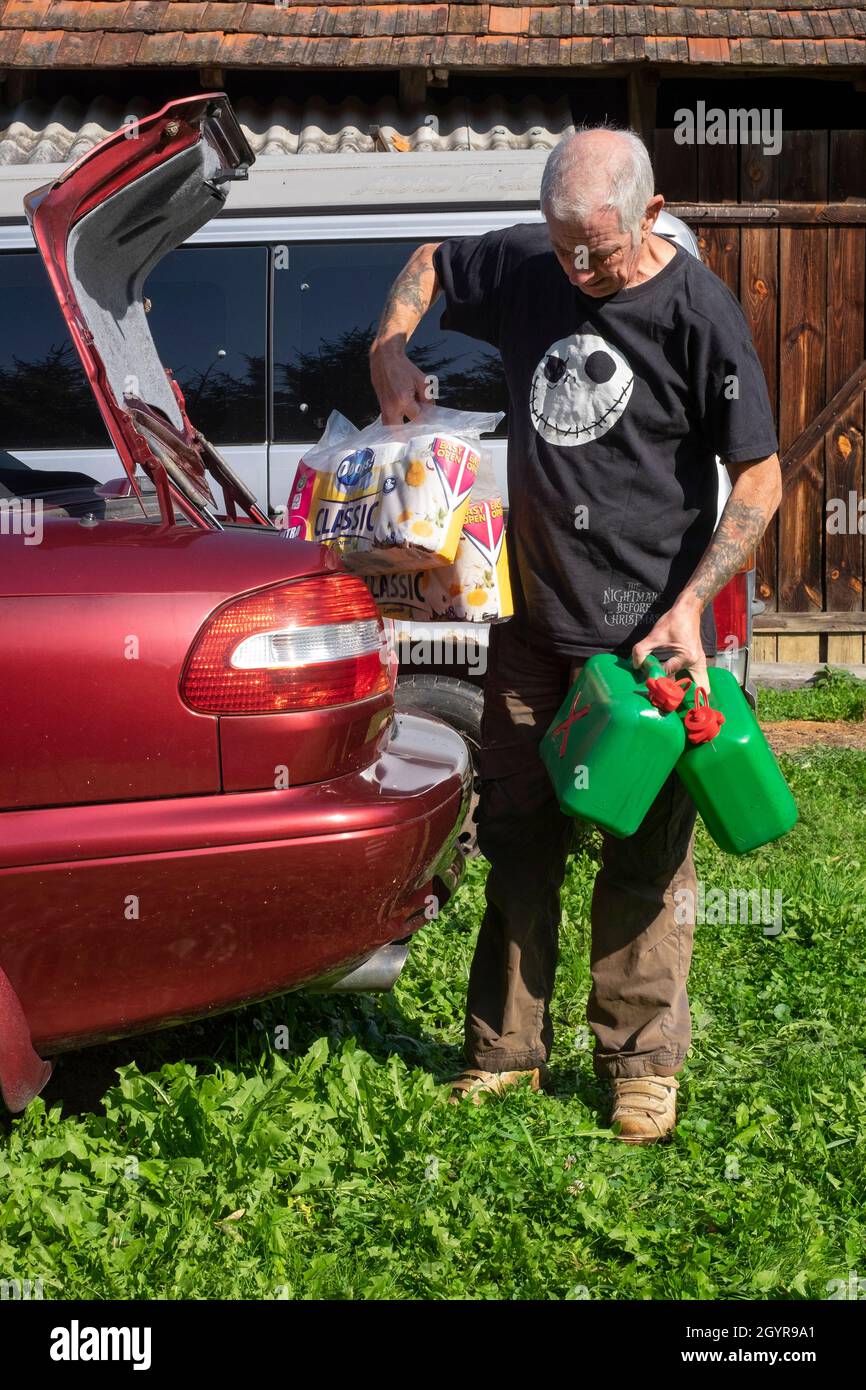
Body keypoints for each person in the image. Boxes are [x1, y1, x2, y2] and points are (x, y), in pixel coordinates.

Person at [369, 127, 782, 1143]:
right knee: (516, 839)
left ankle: (639, 1065)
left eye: (595, 247)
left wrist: (688, 606)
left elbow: (762, 479)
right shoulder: (531, 257)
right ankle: (504, 1051)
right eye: (561, 245)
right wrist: (389, 347)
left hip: (647, 648)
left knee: (642, 853)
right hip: (532, 628)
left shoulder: (698, 312)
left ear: (649, 215)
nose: (577, 267)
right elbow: (427, 265)